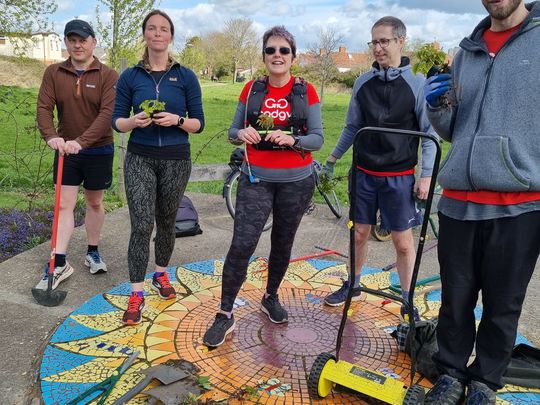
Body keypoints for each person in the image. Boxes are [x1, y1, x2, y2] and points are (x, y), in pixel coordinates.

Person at [423, 1, 540, 404]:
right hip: (458, 201)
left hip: (519, 204)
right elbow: (454, 128)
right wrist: (437, 107)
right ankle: (451, 374)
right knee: (454, 300)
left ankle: (486, 382)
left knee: (503, 305)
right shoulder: (465, 53)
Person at [203, 26, 324, 347]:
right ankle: (225, 312)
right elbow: (232, 131)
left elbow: (318, 139)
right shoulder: (251, 89)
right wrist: (241, 134)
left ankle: (270, 296)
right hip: (256, 179)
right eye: (271, 50)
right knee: (242, 244)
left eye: (284, 50)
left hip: (296, 183)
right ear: (264, 56)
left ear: (293, 57)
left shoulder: (305, 91)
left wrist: (293, 139)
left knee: (283, 244)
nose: (277, 56)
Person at [321, 16, 436, 319]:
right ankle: (354, 284)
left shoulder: (417, 85)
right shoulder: (362, 82)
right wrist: (332, 160)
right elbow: (351, 127)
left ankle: (408, 299)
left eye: (384, 41)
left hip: (398, 177)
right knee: (359, 233)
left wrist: (425, 176)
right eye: (374, 41)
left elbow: (429, 135)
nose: (378, 48)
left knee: (402, 242)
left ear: (401, 41)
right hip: (364, 173)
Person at [112, 10, 204, 325]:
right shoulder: (130, 77)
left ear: (170, 36)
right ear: (145, 34)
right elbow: (117, 121)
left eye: (163, 29)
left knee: (166, 223)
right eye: (152, 28)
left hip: (176, 159)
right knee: (141, 226)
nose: (157, 33)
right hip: (140, 158)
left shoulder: (186, 76)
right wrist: (134, 121)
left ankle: (161, 274)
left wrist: (178, 120)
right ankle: (136, 293)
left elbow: (198, 123)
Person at [35, 19, 118, 291]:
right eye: (72, 40)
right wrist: (51, 136)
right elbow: (44, 107)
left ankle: (92, 251)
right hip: (65, 150)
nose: (77, 44)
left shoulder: (108, 75)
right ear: (66, 43)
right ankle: (59, 262)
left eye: (83, 39)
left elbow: (108, 115)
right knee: (64, 205)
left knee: (94, 202)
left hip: (99, 150)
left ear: (93, 42)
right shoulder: (54, 73)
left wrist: (82, 142)